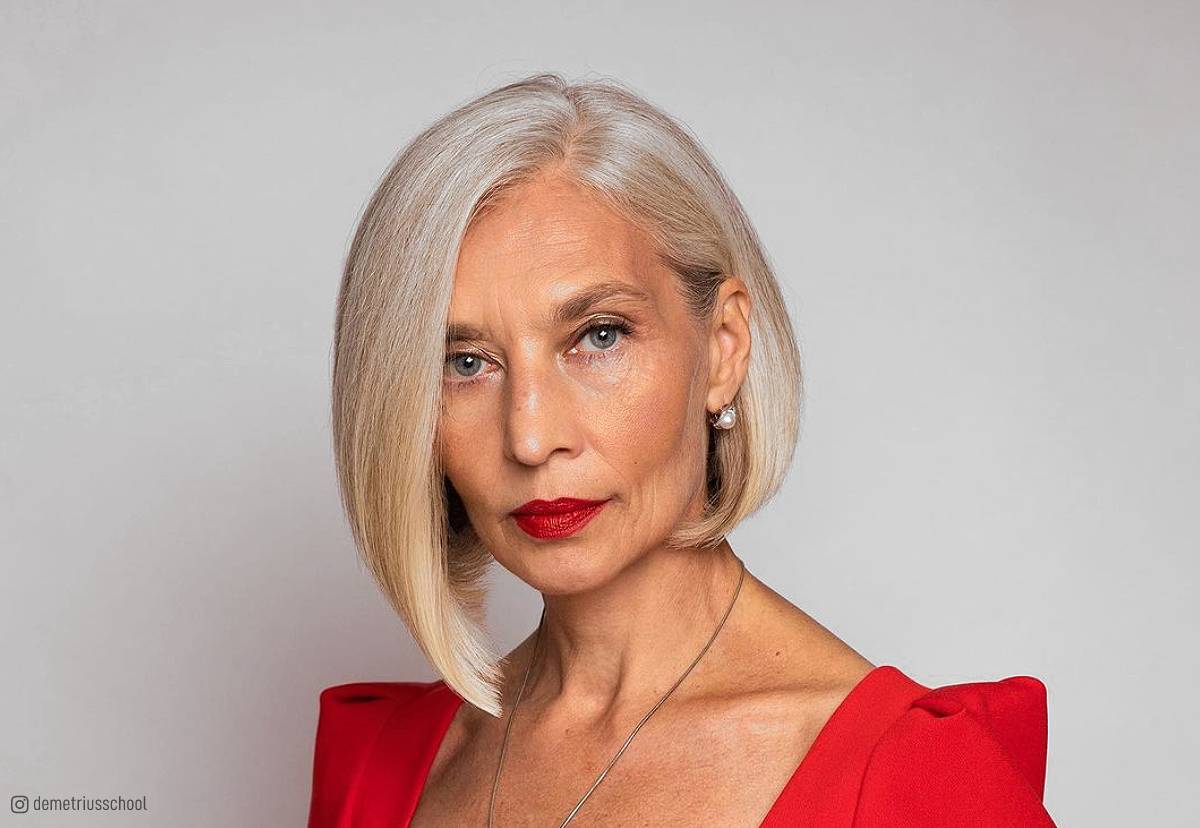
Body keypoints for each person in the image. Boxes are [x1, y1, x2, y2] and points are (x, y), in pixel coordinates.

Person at [307, 73, 1057, 827]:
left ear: (723, 347)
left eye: (599, 336)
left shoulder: (918, 782)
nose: (530, 438)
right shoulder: (390, 769)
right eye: (465, 363)